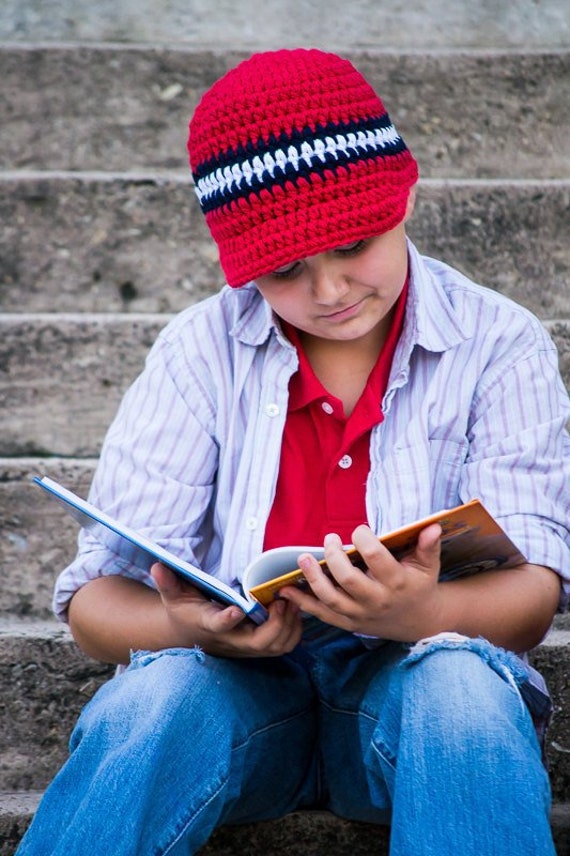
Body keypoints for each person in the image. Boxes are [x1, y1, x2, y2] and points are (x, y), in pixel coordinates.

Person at [16, 48, 570, 856]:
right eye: (284, 270)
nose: (331, 290)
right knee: (151, 702)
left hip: (411, 701)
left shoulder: (498, 342)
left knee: (463, 688)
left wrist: (421, 615)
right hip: (233, 703)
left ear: (404, 197)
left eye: (355, 244)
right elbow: (96, 606)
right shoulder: (199, 351)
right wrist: (191, 629)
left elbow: (532, 595)